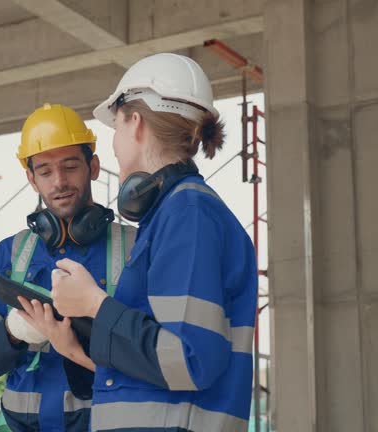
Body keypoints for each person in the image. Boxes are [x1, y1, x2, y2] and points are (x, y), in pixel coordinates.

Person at [19, 54, 259, 431]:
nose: (113, 145)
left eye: (115, 127)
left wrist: (95, 304)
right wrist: (74, 351)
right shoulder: (171, 215)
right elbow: (159, 370)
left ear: (135, 121)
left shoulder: (188, 213)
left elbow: (190, 359)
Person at [0, 103, 136, 432]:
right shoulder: (9, 256)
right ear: (31, 178)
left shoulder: (135, 249)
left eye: (70, 166)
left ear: (93, 166)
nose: (59, 182)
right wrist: (14, 332)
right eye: (45, 171)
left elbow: (160, 353)